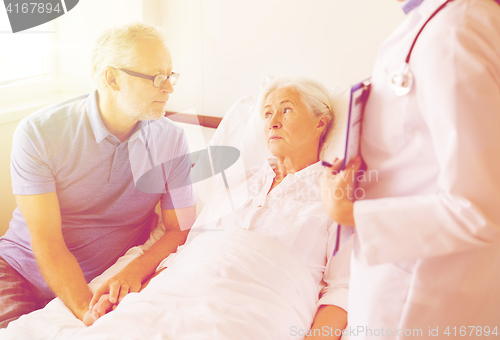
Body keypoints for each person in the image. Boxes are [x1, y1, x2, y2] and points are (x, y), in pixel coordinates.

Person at [81, 77, 352, 339]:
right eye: (267, 114)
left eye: (287, 110)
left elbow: (341, 289)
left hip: (258, 310)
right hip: (180, 290)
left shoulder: (336, 196)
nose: (273, 122)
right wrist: (135, 299)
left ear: (320, 123)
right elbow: (190, 249)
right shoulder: (237, 182)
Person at [321, 0, 500, 338]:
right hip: (399, 277)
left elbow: (480, 207)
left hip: (421, 296)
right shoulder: (434, 22)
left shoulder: (456, 31)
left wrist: (349, 213)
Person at [0, 22, 196, 327]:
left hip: (102, 279)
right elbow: (47, 240)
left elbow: (179, 227)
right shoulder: (40, 133)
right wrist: (83, 310)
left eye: (170, 75)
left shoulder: (171, 140)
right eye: (157, 78)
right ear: (112, 78)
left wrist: (133, 272)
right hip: (18, 271)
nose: (169, 88)